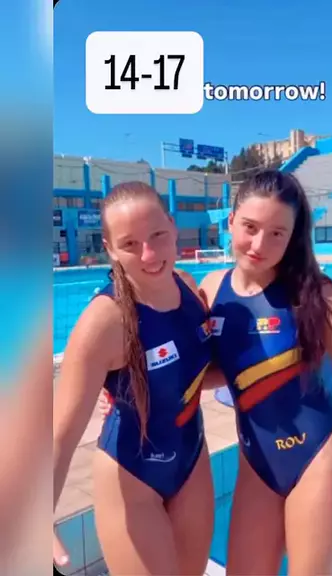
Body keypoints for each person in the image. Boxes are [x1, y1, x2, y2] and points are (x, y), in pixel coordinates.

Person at [99, 170, 332, 575]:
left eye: (277, 233)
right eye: (250, 227)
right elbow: (205, 368)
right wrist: (124, 388)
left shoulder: (319, 296)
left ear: (293, 236)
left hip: (319, 460)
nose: (260, 244)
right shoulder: (211, 291)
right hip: (257, 466)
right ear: (230, 222)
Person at [53, 181, 214, 576]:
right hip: (132, 476)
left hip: (192, 462)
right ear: (110, 249)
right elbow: (61, 432)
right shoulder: (106, 322)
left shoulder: (188, 288)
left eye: (157, 235)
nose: (149, 254)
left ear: (173, 226)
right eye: (130, 244)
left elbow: (192, 376)